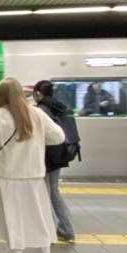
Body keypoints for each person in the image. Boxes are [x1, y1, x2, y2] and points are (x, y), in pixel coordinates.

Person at [0, 77, 65, 253]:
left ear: (0, 95)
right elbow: (59, 136)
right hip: (33, 176)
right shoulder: (36, 113)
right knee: (39, 217)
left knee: (12, 218)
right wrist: (38, 141)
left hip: (6, 176)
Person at [32, 80, 76, 243]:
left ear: (38, 93)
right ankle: (67, 230)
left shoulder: (40, 110)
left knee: (44, 194)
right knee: (54, 192)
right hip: (58, 154)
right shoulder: (59, 106)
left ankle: (48, 232)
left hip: (45, 156)